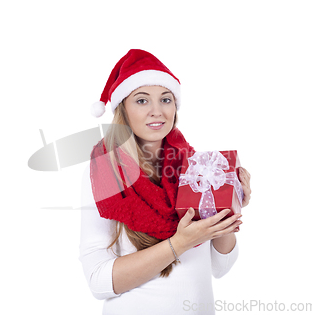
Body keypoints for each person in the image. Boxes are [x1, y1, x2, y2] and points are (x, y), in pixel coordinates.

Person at [78, 49, 252, 315]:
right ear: (122, 109)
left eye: (166, 99)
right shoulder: (106, 172)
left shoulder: (199, 168)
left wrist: (229, 207)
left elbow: (220, 267)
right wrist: (179, 243)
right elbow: (98, 281)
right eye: (142, 100)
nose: (157, 111)